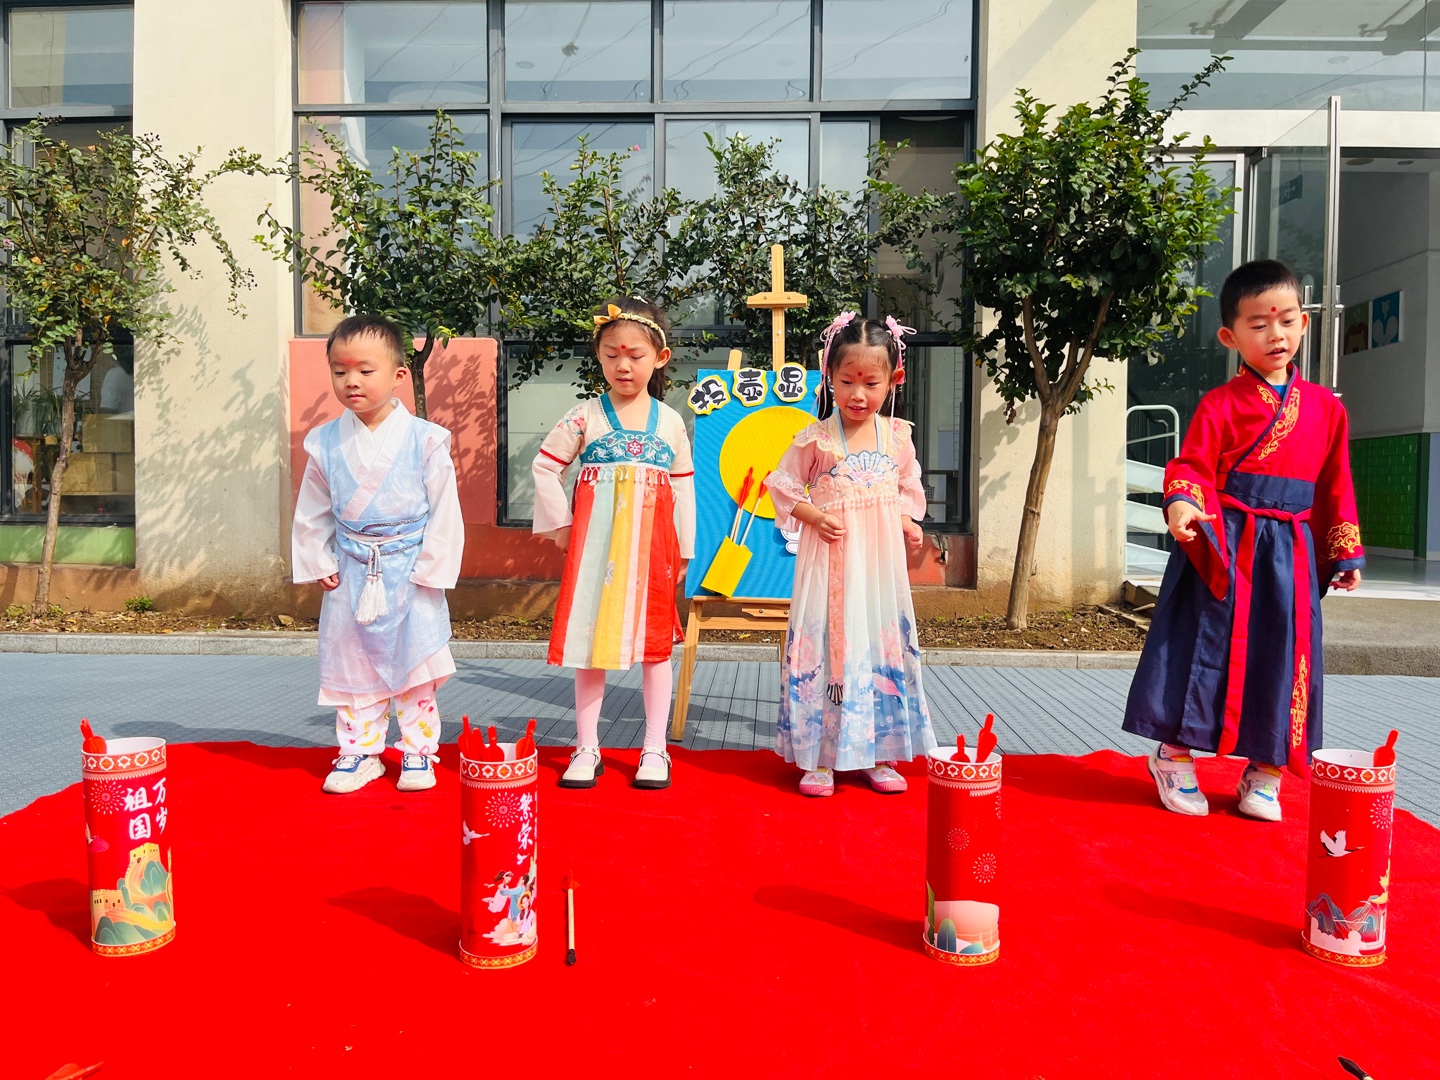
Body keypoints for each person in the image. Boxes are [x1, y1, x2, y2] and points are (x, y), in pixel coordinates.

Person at [1124, 260, 1365, 821]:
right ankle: (1173, 756)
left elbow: (1336, 484)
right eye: (1258, 324)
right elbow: (1191, 465)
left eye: (1286, 320)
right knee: (1199, 646)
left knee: (1282, 654)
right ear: (1230, 337)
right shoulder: (1219, 403)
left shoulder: (1327, 409)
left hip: (1289, 555)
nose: (1275, 334)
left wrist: (1344, 550)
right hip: (1226, 546)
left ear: (1304, 323)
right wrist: (1183, 501)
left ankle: (1266, 769)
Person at [292, 315, 464, 794]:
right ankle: (359, 752)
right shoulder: (324, 441)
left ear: (398, 375)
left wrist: (432, 568)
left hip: (410, 569)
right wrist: (318, 557)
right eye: (340, 371)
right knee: (352, 664)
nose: (352, 381)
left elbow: (445, 509)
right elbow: (313, 507)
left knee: (415, 663)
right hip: (352, 567)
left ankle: (417, 751)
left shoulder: (426, 438)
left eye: (366, 371)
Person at [767, 313, 937, 797]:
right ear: (829, 376)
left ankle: (878, 753)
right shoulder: (815, 438)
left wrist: (908, 523)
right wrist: (815, 517)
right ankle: (819, 757)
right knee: (829, 646)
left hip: (878, 569)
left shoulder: (897, 437)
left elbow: (905, 489)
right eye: (846, 381)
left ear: (894, 379)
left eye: (870, 383)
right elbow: (782, 487)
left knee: (878, 646)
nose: (857, 394)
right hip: (830, 563)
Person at [531, 297, 695, 791]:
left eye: (635, 355)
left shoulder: (670, 422)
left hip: (654, 553)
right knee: (589, 646)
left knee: (656, 648)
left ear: (660, 358)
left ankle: (655, 748)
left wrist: (685, 550)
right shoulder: (584, 416)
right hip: (595, 553)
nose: (623, 365)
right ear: (599, 357)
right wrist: (561, 525)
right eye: (611, 354)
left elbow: (684, 488)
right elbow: (545, 466)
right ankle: (587, 746)